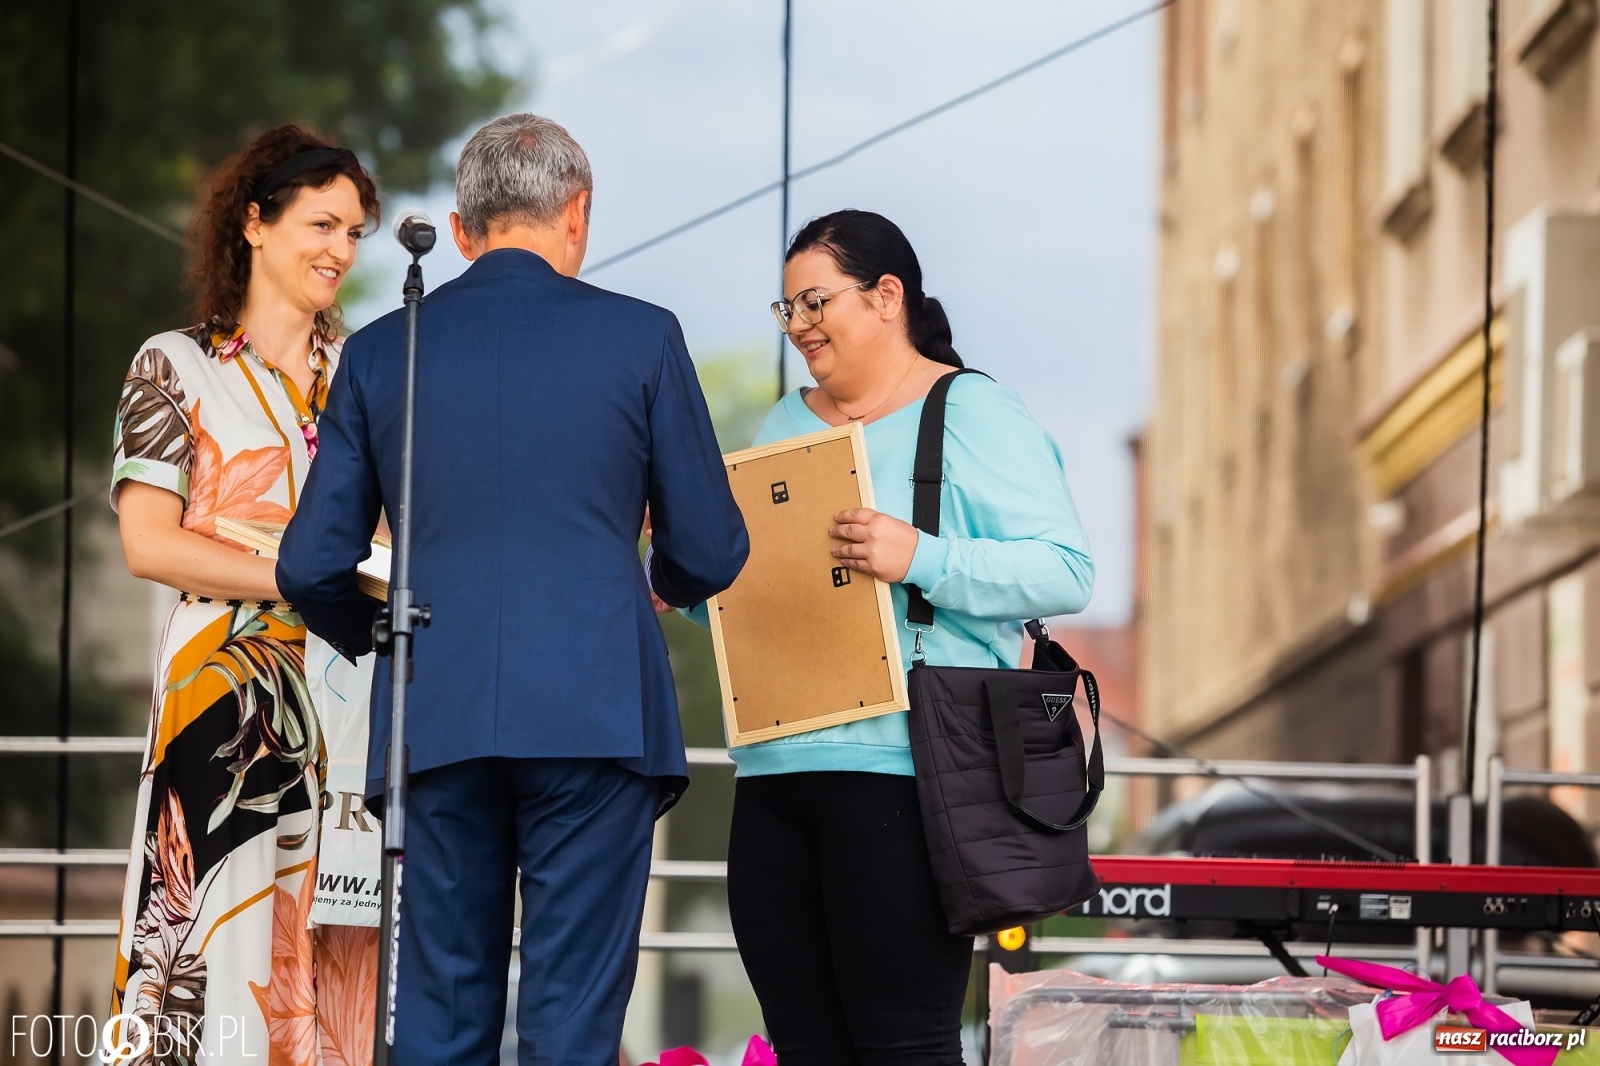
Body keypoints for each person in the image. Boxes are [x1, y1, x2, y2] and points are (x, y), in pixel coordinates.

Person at [275, 113, 749, 1065]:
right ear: (578, 217)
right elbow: (711, 546)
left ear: (459, 231)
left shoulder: (381, 351)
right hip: (598, 715)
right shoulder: (644, 338)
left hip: (437, 713)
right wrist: (655, 578)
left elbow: (309, 566)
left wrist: (387, 636)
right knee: (572, 1021)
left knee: (441, 1013)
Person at [718, 210, 1095, 1063]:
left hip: (902, 778)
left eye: (815, 302)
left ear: (887, 296)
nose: (800, 327)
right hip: (774, 777)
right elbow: (771, 589)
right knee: (804, 1046)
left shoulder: (972, 409)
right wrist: (692, 584)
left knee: (903, 1046)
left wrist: (919, 554)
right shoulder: (784, 422)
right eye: (787, 311)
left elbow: (1065, 570)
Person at [110, 126, 381, 1063]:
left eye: (354, 232)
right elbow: (148, 543)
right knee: (216, 959)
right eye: (322, 223)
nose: (341, 250)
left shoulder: (367, 374)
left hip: (345, 710)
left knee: (335, 958)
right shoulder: (173, 365)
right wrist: (297, 576)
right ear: (255, 223)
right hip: (222, 706)